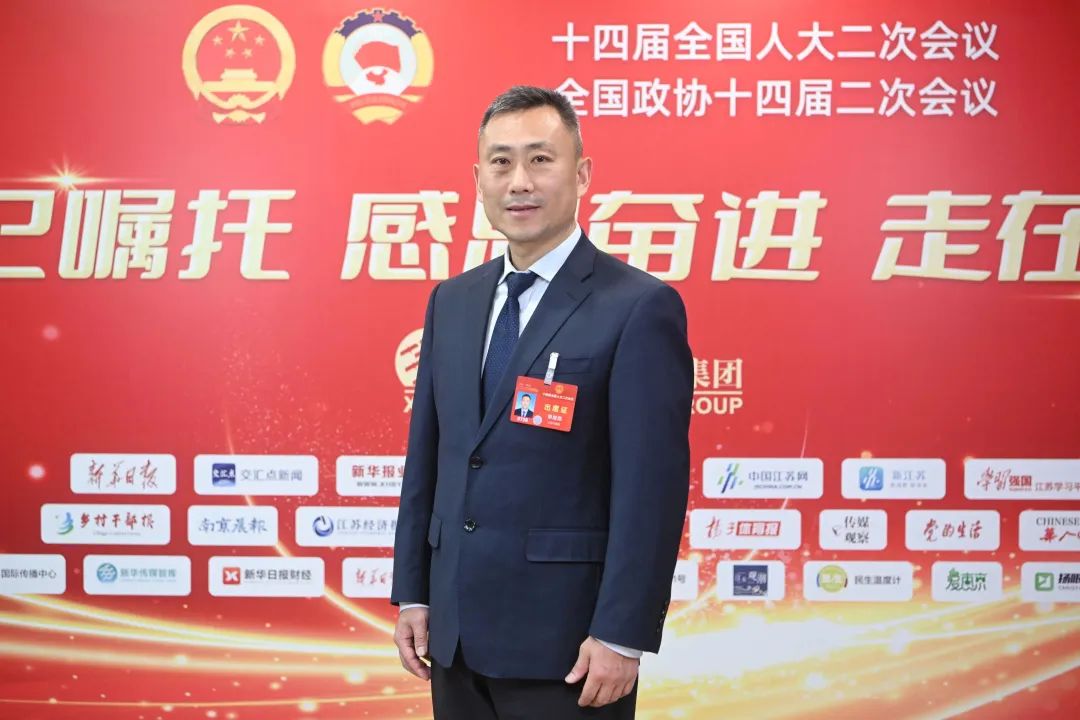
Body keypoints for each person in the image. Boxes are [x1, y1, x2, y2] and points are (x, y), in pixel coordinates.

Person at [391, 85, 692, 719]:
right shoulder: (453, 301)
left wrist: (622, 634)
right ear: (479, 179)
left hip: (570, 648)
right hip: (454, 637)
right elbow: (430, 461)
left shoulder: (637, 307)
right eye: (501, 162)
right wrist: (414, 593)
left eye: (540, 159)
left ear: (581, 174)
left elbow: (650, 492)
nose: (519, 181)